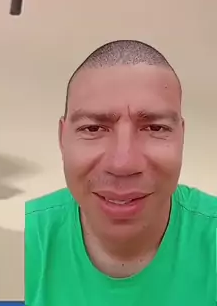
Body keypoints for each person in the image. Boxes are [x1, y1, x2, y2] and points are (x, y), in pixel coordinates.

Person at [25, 39, 217, 305]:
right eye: (93, 129)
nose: (123, 164)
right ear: (62, 138)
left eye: (155, 128)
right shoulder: (22, 243)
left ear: (181, 137)